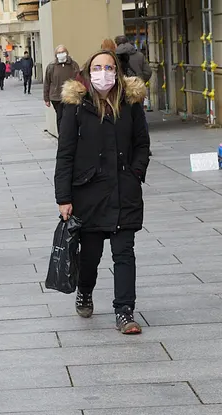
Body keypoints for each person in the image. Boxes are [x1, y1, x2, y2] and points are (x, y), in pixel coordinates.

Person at [55, 49, 150, 334]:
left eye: (109, 67)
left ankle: (125, 311)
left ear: (117, 73)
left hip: (124, 191)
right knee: (90, 255)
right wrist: (64, 198)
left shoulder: (130, 104)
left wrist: (135, 173)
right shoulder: (76, 107)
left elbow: (142, 144)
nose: (104, 73)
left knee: (124, 253)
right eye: (98, 67)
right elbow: (65, 153)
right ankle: (84, 290)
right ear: (87, 72)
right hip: (88, 193)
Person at [44, 45, 80, 132]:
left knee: (70, 117)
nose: (61, 54)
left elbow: (79, 80)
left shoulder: (73, 65)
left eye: (63, 52)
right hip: (56, 97)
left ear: (67, 53)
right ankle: (61, 135)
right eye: (59, 53)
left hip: (70, 96)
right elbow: (47, 82)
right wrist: (46, 98)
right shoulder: (51, 66)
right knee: (60, 117)